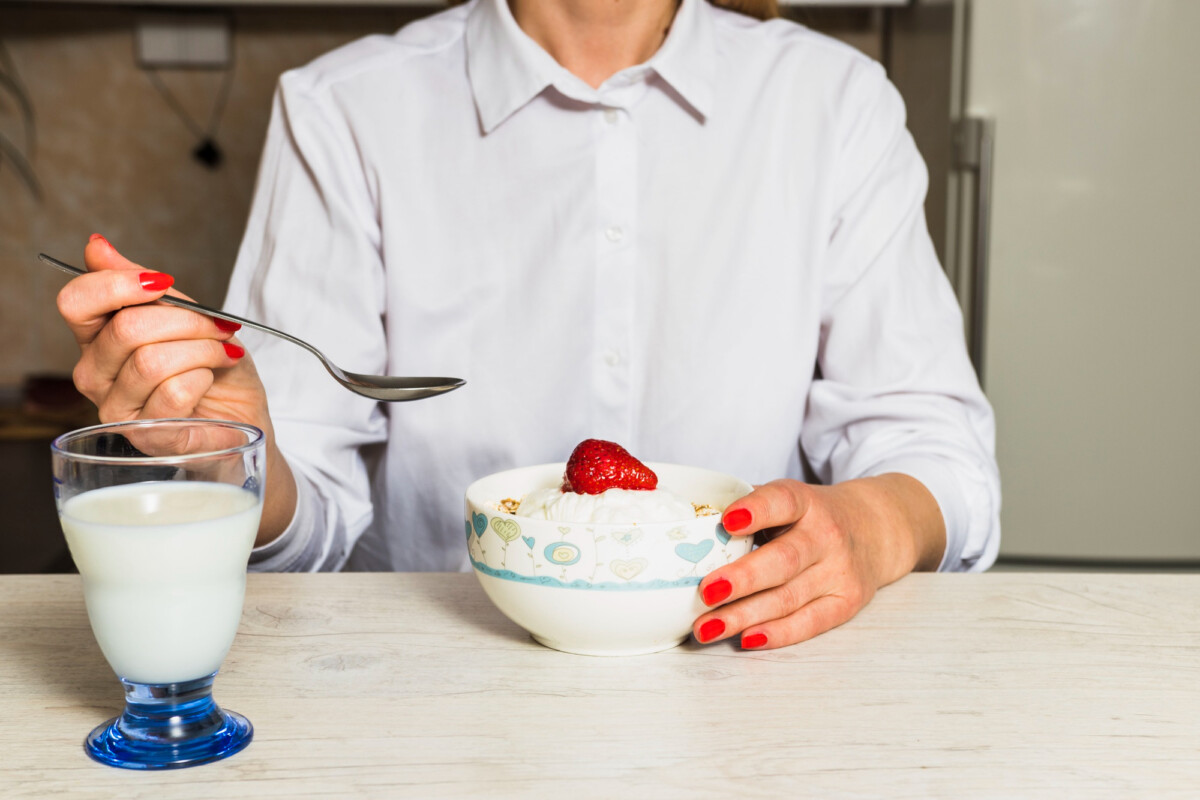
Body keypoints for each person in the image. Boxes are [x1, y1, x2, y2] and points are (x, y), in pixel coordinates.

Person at [56, 0, 1000, 651]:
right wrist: (228, 453)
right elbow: (310, 527)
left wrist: (871, 526)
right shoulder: (342, 109)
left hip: (753, 679)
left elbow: (940, 457)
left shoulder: (836, 102)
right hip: (429, 702)